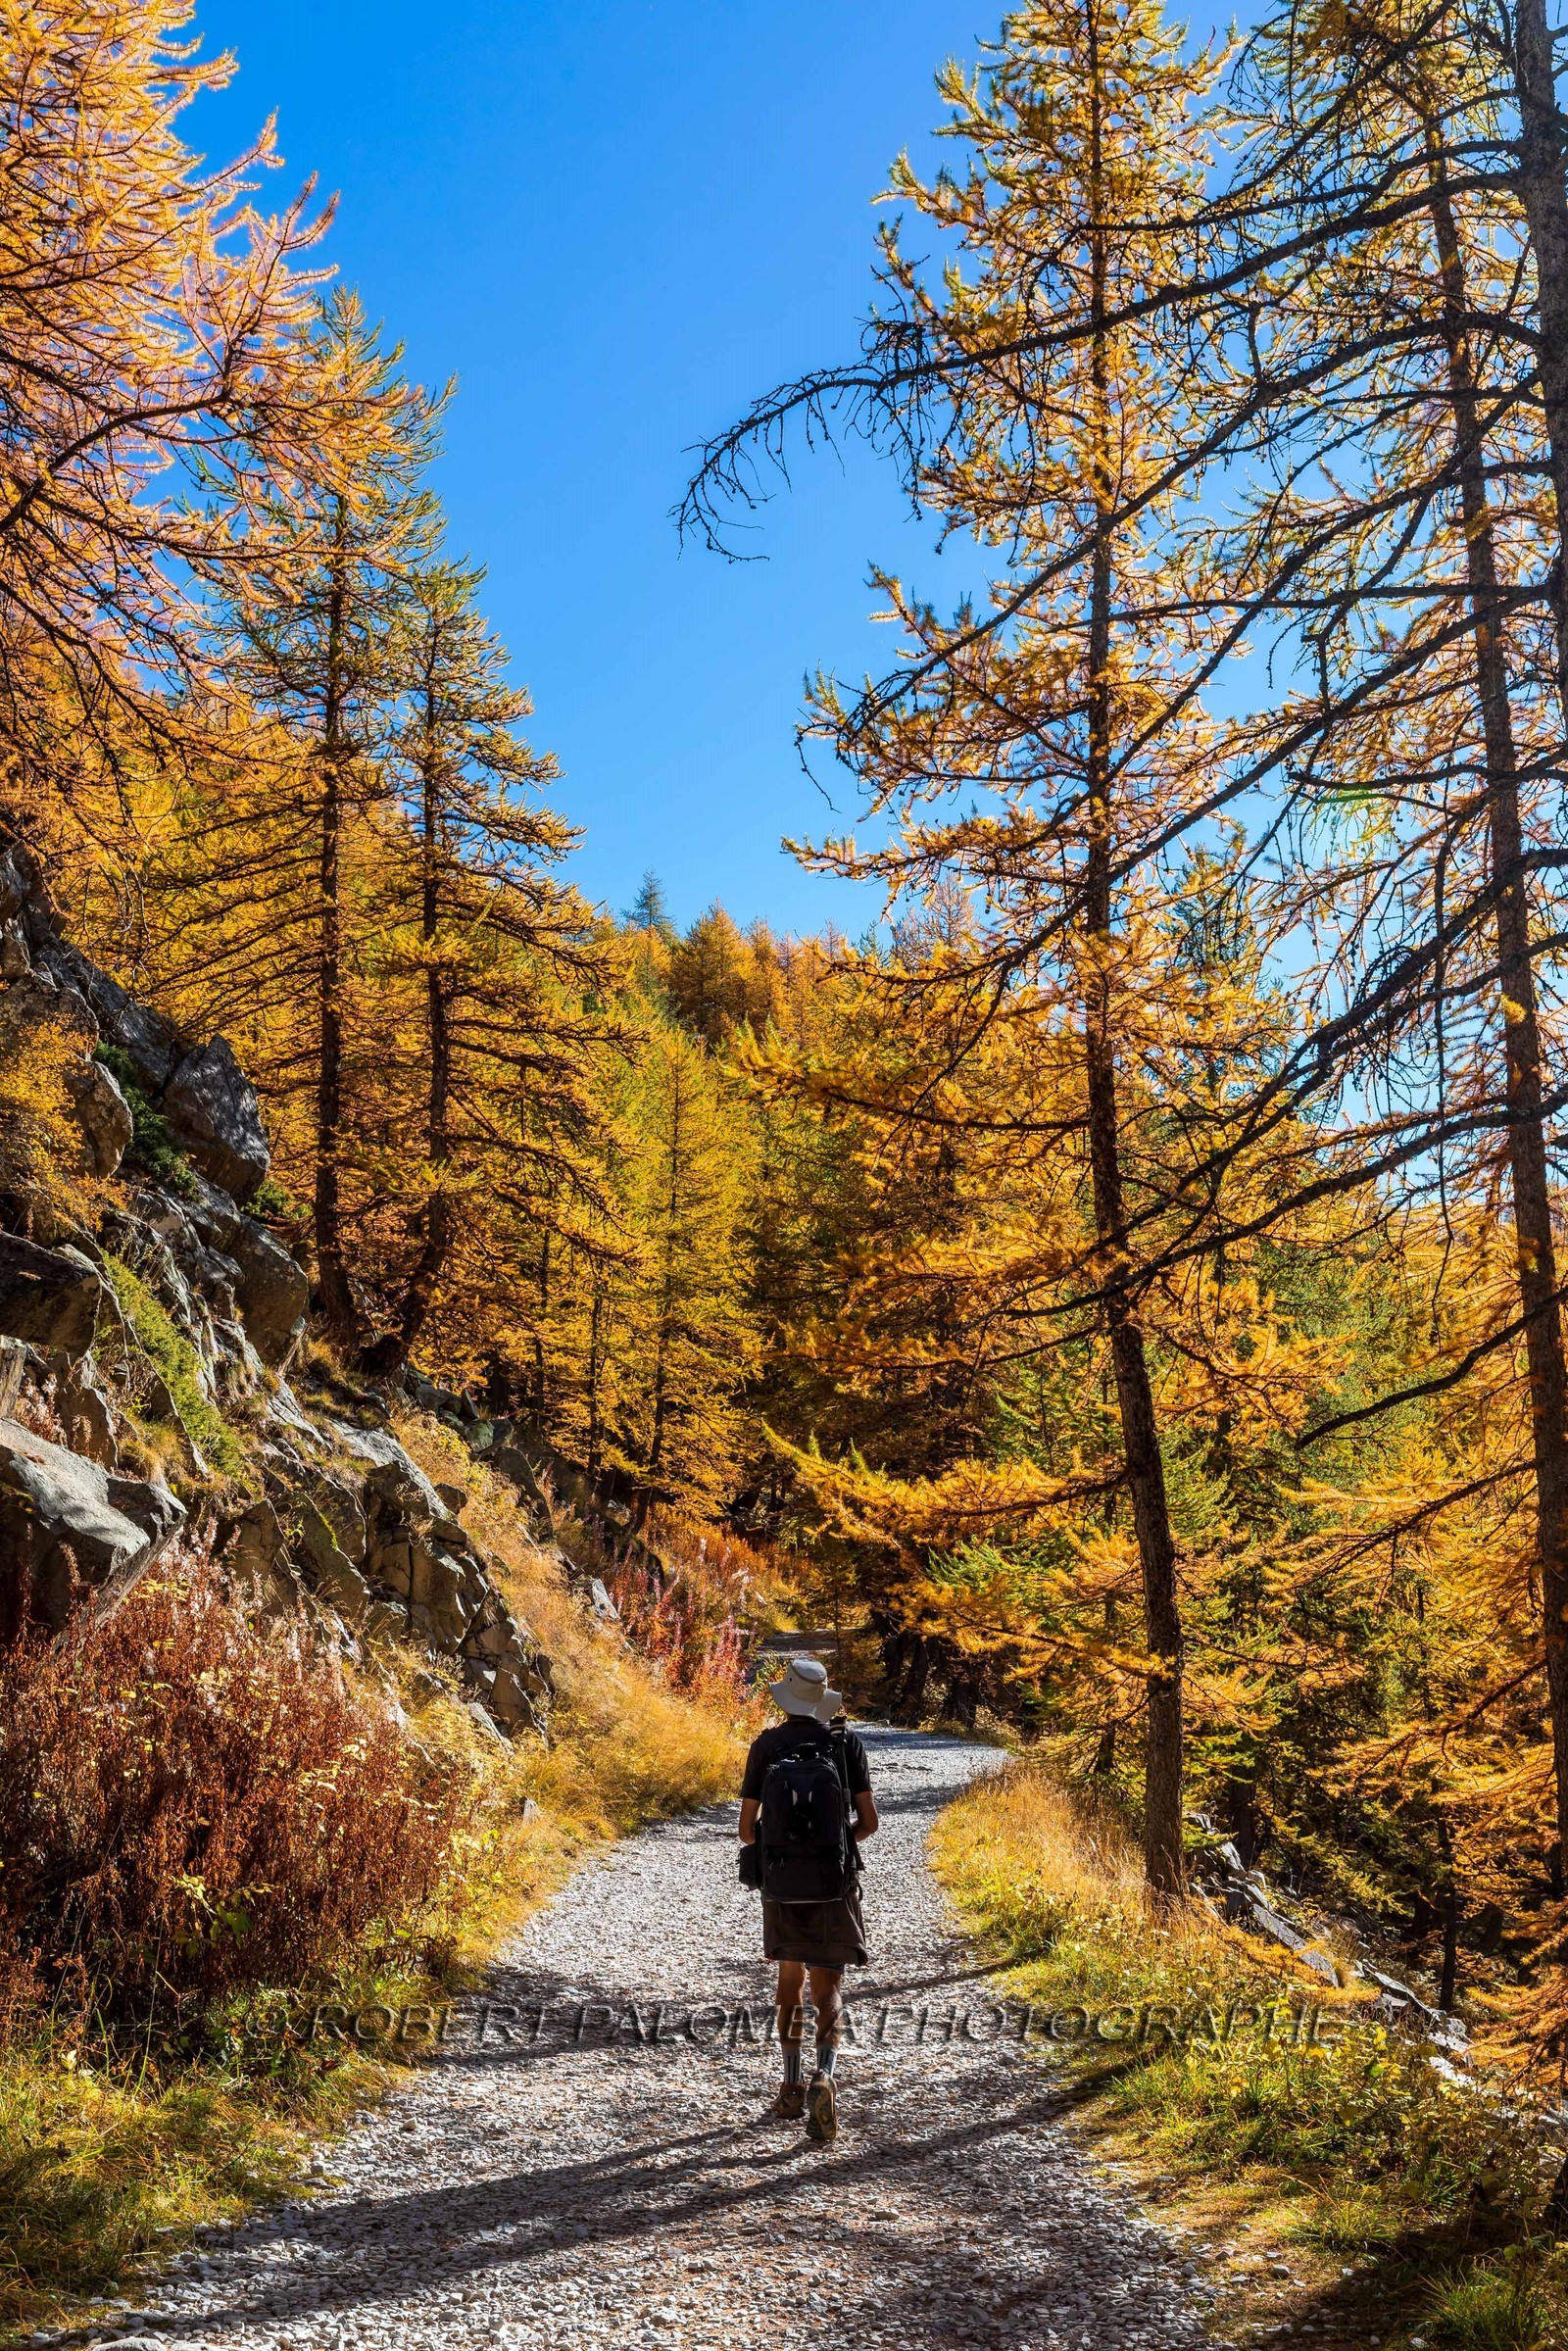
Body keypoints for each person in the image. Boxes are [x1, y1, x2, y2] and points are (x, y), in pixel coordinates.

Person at [738, 1652, 878, 2143]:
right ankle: (825, 2074)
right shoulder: (844, 1743)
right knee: (828, 1988)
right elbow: (869, 1823)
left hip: (781, 1886)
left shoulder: (767, 1745)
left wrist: (783, 1853)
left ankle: (792, 2084)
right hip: (833, 1885)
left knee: (789, 1980)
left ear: (787, 1694)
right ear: (821, 1699)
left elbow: (745, 1832)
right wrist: (836, 1847)